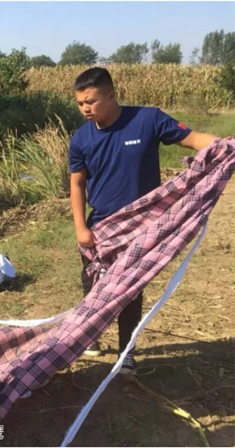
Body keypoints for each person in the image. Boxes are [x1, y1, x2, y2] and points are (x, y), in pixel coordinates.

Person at [68, 67, 219, 374]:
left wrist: (225, 146)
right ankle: (90, 336)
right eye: (80, 103)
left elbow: (193, 139)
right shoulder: (81, 138)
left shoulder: (148, 120)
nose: (85, 108)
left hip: (143, 225)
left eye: (91, 101)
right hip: (102, 226)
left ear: (111, 95)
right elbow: (77, 184)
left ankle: (126, 352)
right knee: (93, 284)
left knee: (130, 289)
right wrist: (81, 227)